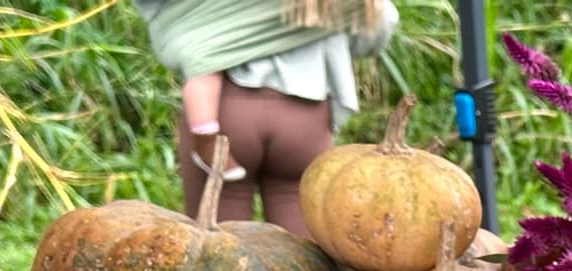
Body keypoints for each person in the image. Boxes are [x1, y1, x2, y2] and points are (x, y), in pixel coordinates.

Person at [136, 0, 398, 235]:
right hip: (304, 121)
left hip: (227, 113)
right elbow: (379, 26)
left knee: (217, 246)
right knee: (300, 250)